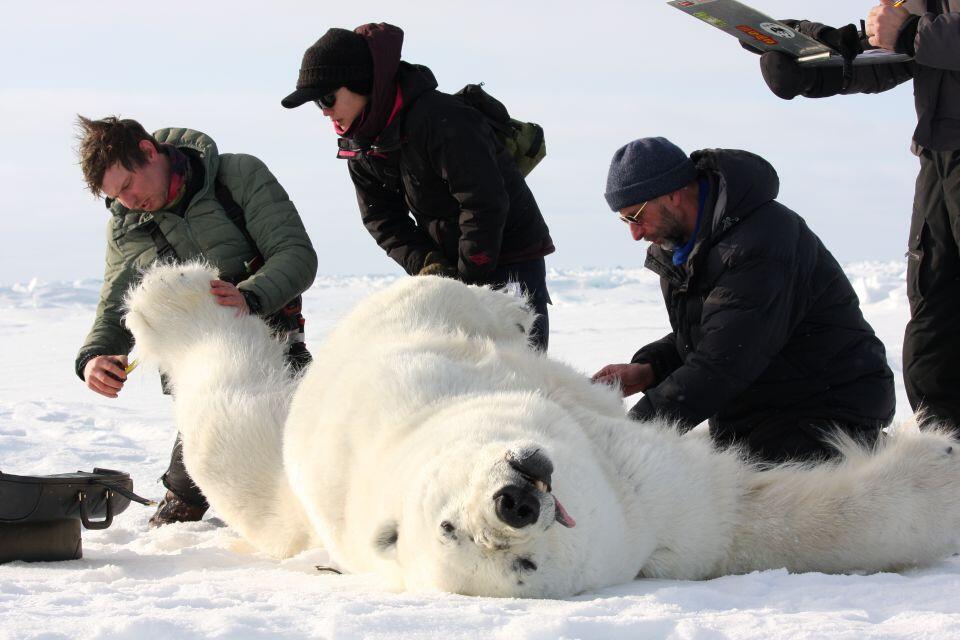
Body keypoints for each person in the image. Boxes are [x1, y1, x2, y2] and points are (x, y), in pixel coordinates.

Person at [74, 116, 317, 526]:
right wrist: (94, 356)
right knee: (182, 506)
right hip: (199, 384)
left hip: (276, 355)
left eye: (128, 185)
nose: (128, 202)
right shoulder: (125, 226)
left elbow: (295, 254)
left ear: (148, 151)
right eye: (115, 196)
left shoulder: (238, 176)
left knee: (320, 459)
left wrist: (250, 295)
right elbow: (116, 307)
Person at [592, 137, 896, 462]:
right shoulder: (681, 250)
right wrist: (649, 369)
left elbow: (723, 361)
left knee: (738, 486)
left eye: (636, 216)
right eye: (625, 221)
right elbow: (712, 334)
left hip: (828, 408)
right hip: (768, 408)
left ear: (673, 193)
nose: (635, 233)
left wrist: (625, 437)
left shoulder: (762, 241)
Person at [280, 24, 555, 350]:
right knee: (466, 369)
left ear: (361, 84)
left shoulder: (442, 119)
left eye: (328, 98)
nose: (325, 111)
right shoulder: (361, 146)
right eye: (317, 104)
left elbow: (484, 202)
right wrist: (428, 264)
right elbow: (382, 219)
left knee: (521, 367)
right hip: (454, 266)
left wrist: (467, 281)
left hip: (510, 258)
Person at [755, 1, 960, 430]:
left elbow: (916, 37)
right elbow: (896, 57)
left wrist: (913, 33)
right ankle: (946, 457)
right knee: (935, 323)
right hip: (939, 157)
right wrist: (819, 65)